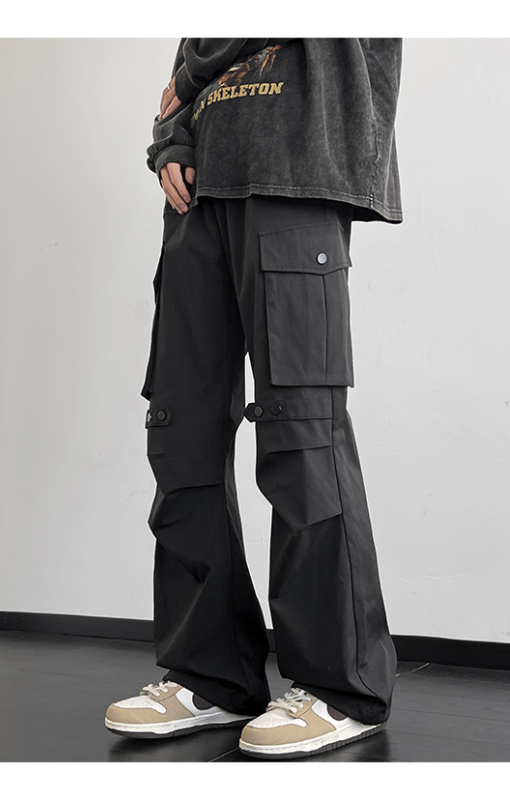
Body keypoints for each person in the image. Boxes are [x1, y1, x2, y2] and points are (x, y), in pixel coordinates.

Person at [105, 38, 403, 760]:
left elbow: (201, 55)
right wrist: (171, 138)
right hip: (201, 194)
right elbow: (185, 75)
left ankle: (342, 688)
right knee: (180, 425)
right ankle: (210, 673)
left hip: (297, 172)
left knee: (302, 428)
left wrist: (188, 74)